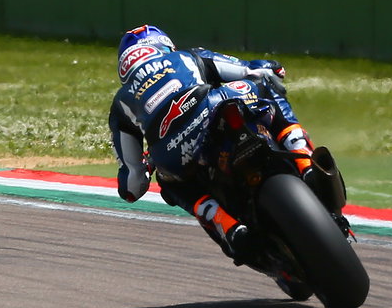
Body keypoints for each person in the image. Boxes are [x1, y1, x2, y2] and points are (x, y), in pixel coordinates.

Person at [109, 24, 331, 272]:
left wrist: (148, 165)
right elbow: (249, 69)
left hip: (172, 151)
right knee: (266, 86)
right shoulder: (187, 56)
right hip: (217, 103)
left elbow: (131, 187)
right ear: (163, 46)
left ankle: (224, 222)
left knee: (170, 180)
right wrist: (271, 67)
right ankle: (303, 158)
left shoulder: (121, 103)